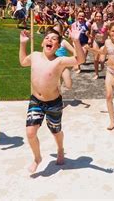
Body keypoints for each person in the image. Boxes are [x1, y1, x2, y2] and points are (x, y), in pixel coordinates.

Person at [19, 25, 85, 173]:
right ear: (42, 43)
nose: (50, 40)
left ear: (57, 46)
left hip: (53, 103)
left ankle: (60, 148)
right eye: (47, 38)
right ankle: (37, 158)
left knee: (55, 131)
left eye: (54, 39)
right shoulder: (35, 56)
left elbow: (80, 59)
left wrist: (76, 41)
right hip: (36, 101)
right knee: (30, 132)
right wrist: (23, 43)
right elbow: (23, 62)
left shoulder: (59, 61)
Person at [87, 21, 114, 130]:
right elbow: (102, 53)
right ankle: (112, 122)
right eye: (112, 31)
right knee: (109, 96)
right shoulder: (106, 42)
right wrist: (90, 49)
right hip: (110, 72)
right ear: (109, 32)